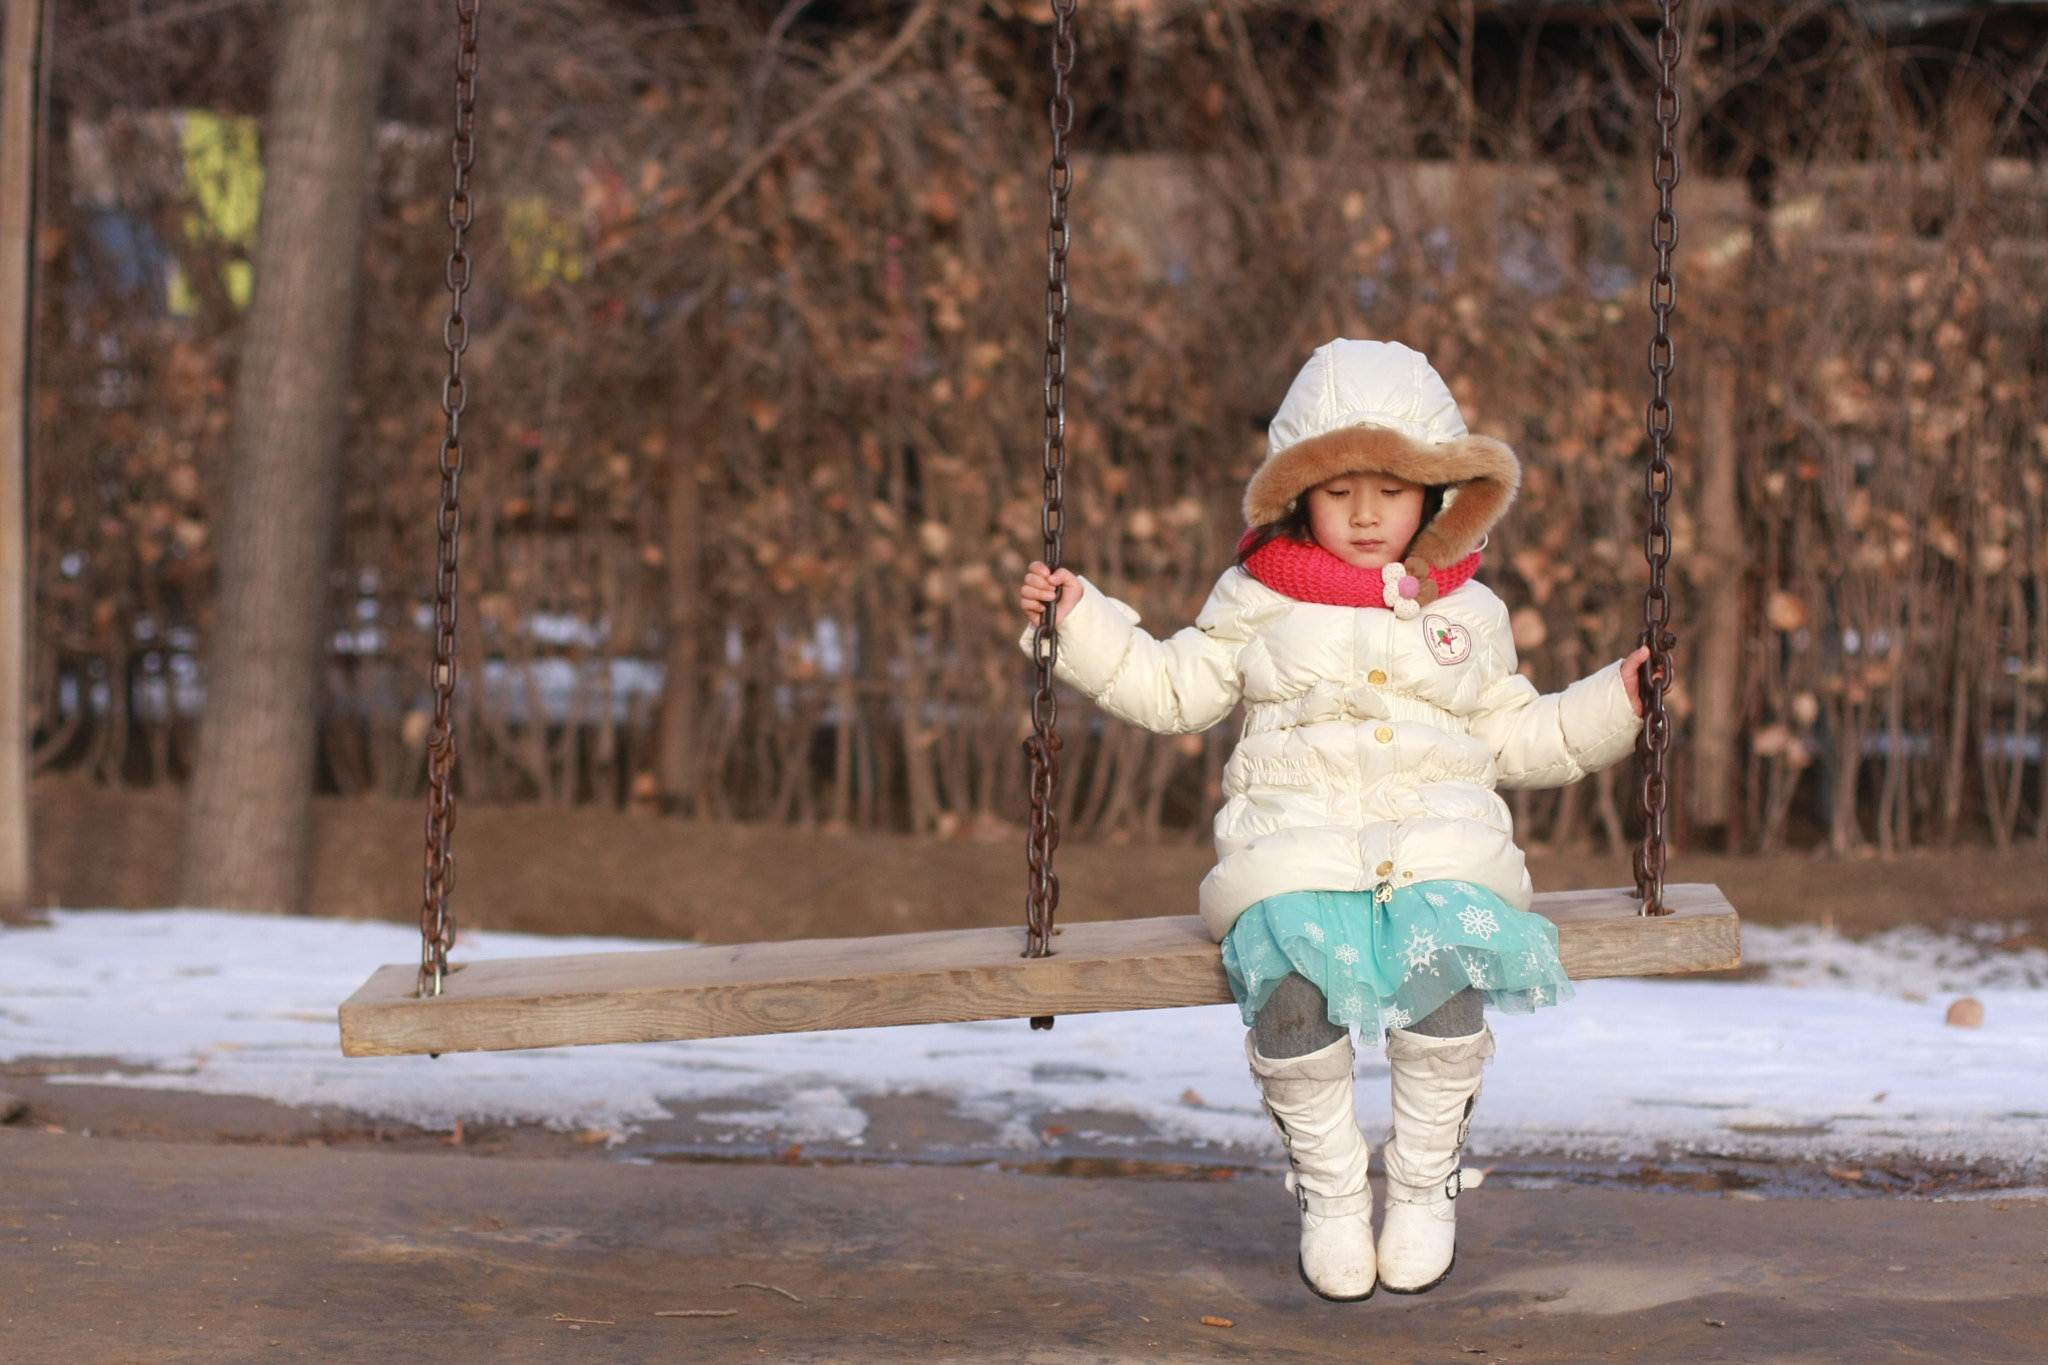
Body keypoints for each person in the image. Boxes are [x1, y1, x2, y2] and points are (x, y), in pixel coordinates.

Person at [1017, 338, 1651, 1301]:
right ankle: (1331, 1189)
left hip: (1437, 852)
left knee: (1446, 980)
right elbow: (1176, 687)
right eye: (1340, 486)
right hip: (1292, 855)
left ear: (1439, 495)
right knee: (1292, 995)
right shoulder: (1257, 596)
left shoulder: (1470, 611)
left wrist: (1625, 698)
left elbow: (1520, 736)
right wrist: (1079, 623)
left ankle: (1425, 1182)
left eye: (1393, 488)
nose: (1365, 513)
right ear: (1296, 495)